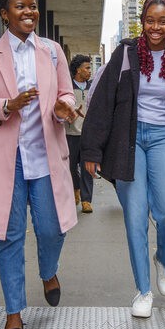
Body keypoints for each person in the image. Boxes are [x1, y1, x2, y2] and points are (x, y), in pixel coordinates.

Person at [82, 0, 165, 319]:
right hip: (128, 142)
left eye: (163, 21)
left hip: (163, 141)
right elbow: (102, 102)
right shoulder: (126, 55)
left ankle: (163, 260)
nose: (156, 27)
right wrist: (91, 149)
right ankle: (143, 290)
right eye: (150, 21)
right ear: (142, 21)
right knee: (136, 218)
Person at [0, 0, 79, 329]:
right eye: (20, 7)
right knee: (9, 235)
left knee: (52, 228)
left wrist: (65, 107)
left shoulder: (52, 51)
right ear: (4, 13)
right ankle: (13, 314)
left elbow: (65, 93)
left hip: (45, 156)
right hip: (5, 160)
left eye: (32, 7)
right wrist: (7, 106)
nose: (29, 12)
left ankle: (49, 272)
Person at [66, 54, 95, 214]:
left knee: (87, 168)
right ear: (78, 70)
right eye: (87, 68)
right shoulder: (67, 87)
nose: (90, 71)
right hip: (69, 134)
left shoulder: (92, 87)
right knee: (70, 167)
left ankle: (86, 200)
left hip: (88, 135)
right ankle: (76, 189)